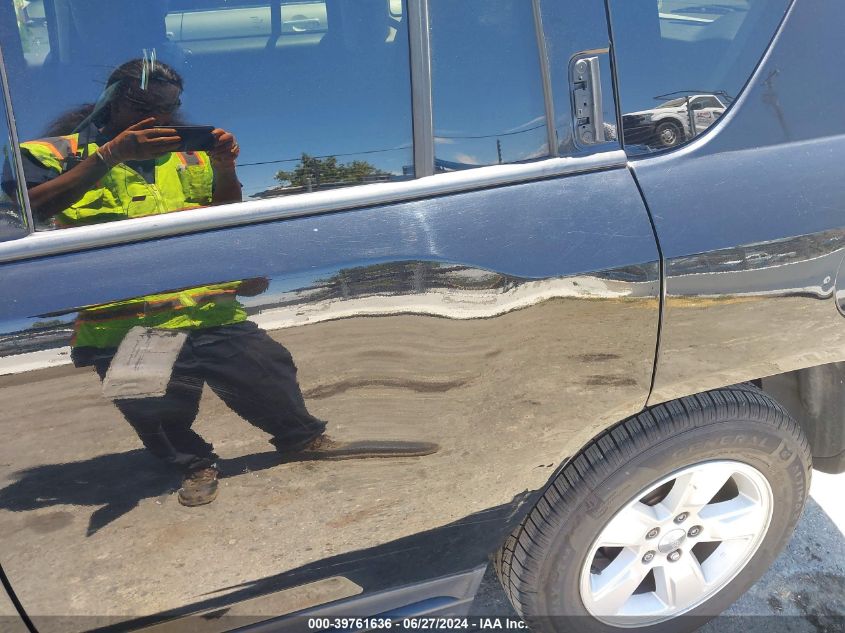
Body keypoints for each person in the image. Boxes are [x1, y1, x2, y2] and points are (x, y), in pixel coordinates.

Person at [15, 58, 437, 507]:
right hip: (126, 324)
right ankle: (193, 465)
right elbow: (27, 210)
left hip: (208, 308)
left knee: (267, 372)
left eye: (167, 107)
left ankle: (302, 439)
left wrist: (224, 168)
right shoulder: (54, 154)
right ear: (110, 100)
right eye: (143, 106)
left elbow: (225, 217)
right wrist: (109, 156)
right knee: (151, 406)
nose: (156, 117)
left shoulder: (189, 153)